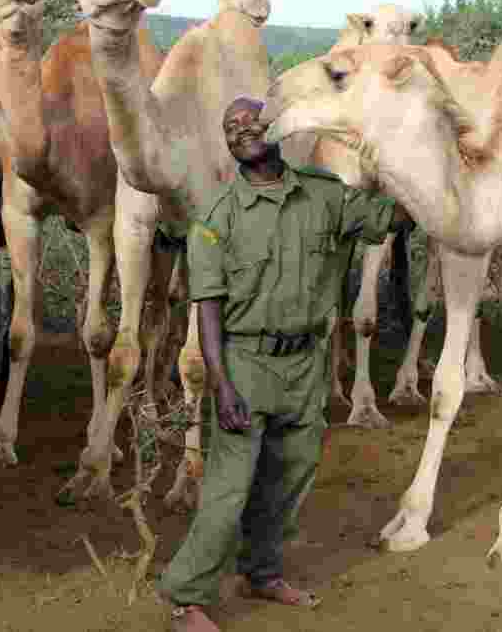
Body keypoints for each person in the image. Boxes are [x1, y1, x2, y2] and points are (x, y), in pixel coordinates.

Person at [159, 97, 413, 632]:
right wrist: (221, 386)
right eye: (231, 127)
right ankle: (186, 599)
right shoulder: (216, 219)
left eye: (252, 120)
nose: (243, 130)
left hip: (307, 364)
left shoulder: (323, 197)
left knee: (289, 480)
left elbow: (394, 216)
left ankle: (261, 572)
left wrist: (410, 155)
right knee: (229, 490)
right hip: (245, 364)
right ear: (227, 144)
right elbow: (207, 310)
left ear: (275, 127)